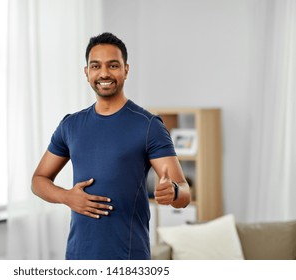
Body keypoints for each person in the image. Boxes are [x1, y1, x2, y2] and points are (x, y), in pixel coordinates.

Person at [31, 32, 191, 260]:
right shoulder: (70, 125)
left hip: (128, 258)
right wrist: (67, 197)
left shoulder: (148, 125)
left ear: (126, 70)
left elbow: (184, 192)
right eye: (96, 66)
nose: (104, 73)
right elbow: (38, 180)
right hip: (78, 257)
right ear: (87, 73)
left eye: (113, 65)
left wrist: (173, 191)